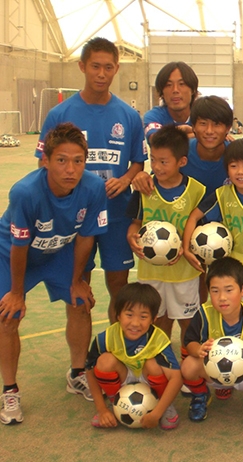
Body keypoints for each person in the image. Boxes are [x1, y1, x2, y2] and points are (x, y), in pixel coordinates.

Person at [36, 37, 146, 334]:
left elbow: (138, 161)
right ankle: (79, 368)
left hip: (117, 214)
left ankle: (121, 354)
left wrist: (125, 179)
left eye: (108, 67)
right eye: (95, 66)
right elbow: (42, 163)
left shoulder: (128, 115)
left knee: (119, 289)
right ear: (82, 66)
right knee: (77, 292)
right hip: (74, 218)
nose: (101, 73)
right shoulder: (60, 114)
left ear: (116, 69)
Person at [0, 123, 108, 425]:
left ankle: (77, 374)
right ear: (45, 161)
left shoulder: (93, 187)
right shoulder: (25, 192)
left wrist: (77, 280)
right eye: (61, 160)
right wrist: (17, 293)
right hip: (12, 255)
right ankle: (10, 390)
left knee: (80, 303)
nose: (70, 169)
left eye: (78, 161)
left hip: (59, 251)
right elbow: (20, 246)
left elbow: (87, 236)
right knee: (8, 315)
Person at [126, 125, 206, 344]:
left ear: (181, 161)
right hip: (151, 272)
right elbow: (135, 223)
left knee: (188, 320)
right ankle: (162, 360)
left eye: (164, 161)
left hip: (184, 274)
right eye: (153, 160)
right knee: (157, 319)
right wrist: (131, 237)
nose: (157, 167)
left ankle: (189, 362)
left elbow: (201, 231)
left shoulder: (197, 191)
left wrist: (187, 246)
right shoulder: (144, 189)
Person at [182, 138, 243, 320]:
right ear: (227, 169)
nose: (240, 172)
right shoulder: (221, 195)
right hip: (228, 274)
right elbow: (194, 216)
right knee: (228, 318)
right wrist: (186, 248)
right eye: (234, 166)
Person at [181, 257, 243, 424]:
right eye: (215, 291)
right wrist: (198, 350)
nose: (222, 297)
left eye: (229, 290)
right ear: (208, 291)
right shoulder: (204, 313)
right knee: (188, 365)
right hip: (214, 373)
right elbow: (190, 340)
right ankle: (200, 396)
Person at [85, 282, 182, 429]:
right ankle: (114, 403)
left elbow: (176, 377)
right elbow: (90, 370)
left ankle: (163, 405)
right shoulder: (106, 337)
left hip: (147, 376)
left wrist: (156, 413)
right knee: (104, 361)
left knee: (154, 365)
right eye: (129, 315)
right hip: (123, 375)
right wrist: (101, 409)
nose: (135, 323)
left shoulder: (158, 339)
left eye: (143, 317)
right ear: (118, 315)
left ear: (154, 319)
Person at [134, 95, 233, 198]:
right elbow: (156, 177)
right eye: (203, 123)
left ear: (228, 128)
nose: (209, 131)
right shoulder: (178, 151)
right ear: (193, 126)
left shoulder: (237, 155)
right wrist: (143, 177)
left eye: (217, 125)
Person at [143, 61, 199, 141]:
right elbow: (157, 142)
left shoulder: (205, 115)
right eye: (169, 85)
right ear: (161, 92)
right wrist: (198, 136)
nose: (175, 90)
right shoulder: (154, 116)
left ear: (193, 90)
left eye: (181, 84)